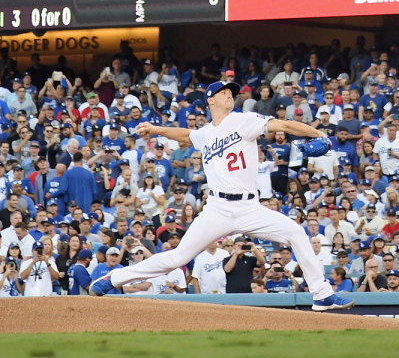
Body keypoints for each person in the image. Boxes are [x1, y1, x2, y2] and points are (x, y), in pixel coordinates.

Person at [90, 80, 353, 311]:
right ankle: (114, 279)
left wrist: (317, 132)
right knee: (177, 258)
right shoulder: (206, 133)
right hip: (217, 209)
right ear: (211, 100)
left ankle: (322, 295)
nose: (230, 95)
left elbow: (282, 124)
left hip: (250, 208)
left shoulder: (244, 120)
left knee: (295, 233)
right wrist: (157, 130)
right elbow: (186, 134)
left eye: (232, 92)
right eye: (225, 92)